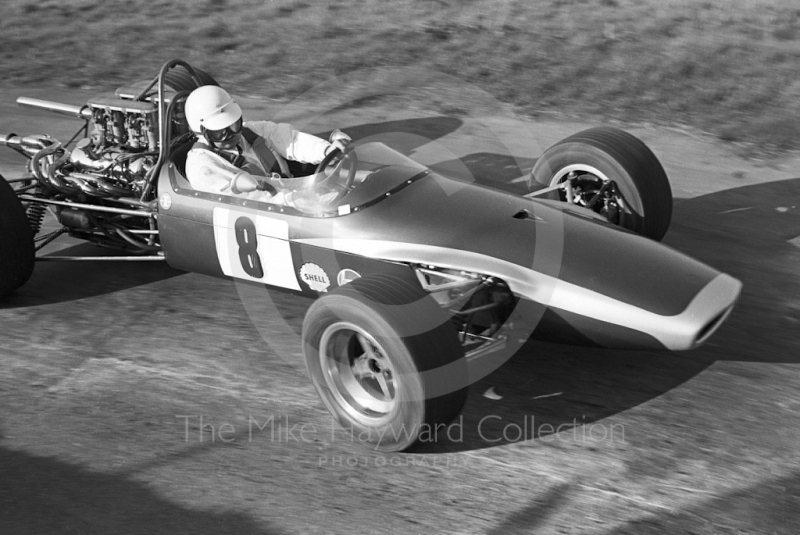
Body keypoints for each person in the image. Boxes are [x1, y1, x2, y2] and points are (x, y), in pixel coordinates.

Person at [183, 85, 352, 206]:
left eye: (234, 125)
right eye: (220, 132)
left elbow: (291, 140)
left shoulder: (252, 131)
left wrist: (325, 150)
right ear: (202, 133)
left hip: (298, 198)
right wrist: (295, 200)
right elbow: (244, 201)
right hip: (273, 213)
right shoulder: (201, 167)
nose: (232, 134)